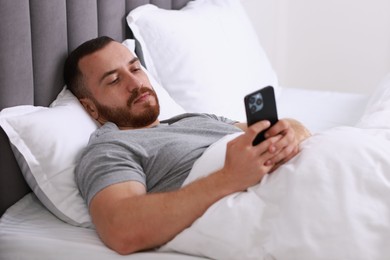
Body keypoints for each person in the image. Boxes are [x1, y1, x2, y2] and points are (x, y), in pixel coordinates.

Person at [64, 36, 311, 255]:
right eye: (115, 80)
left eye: (136, 68)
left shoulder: (195, 119)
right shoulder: (111, 147)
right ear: (90, 107)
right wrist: (229, 178)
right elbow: (120, 228)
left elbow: (289, 127)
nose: (135, 83)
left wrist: (290, 136)